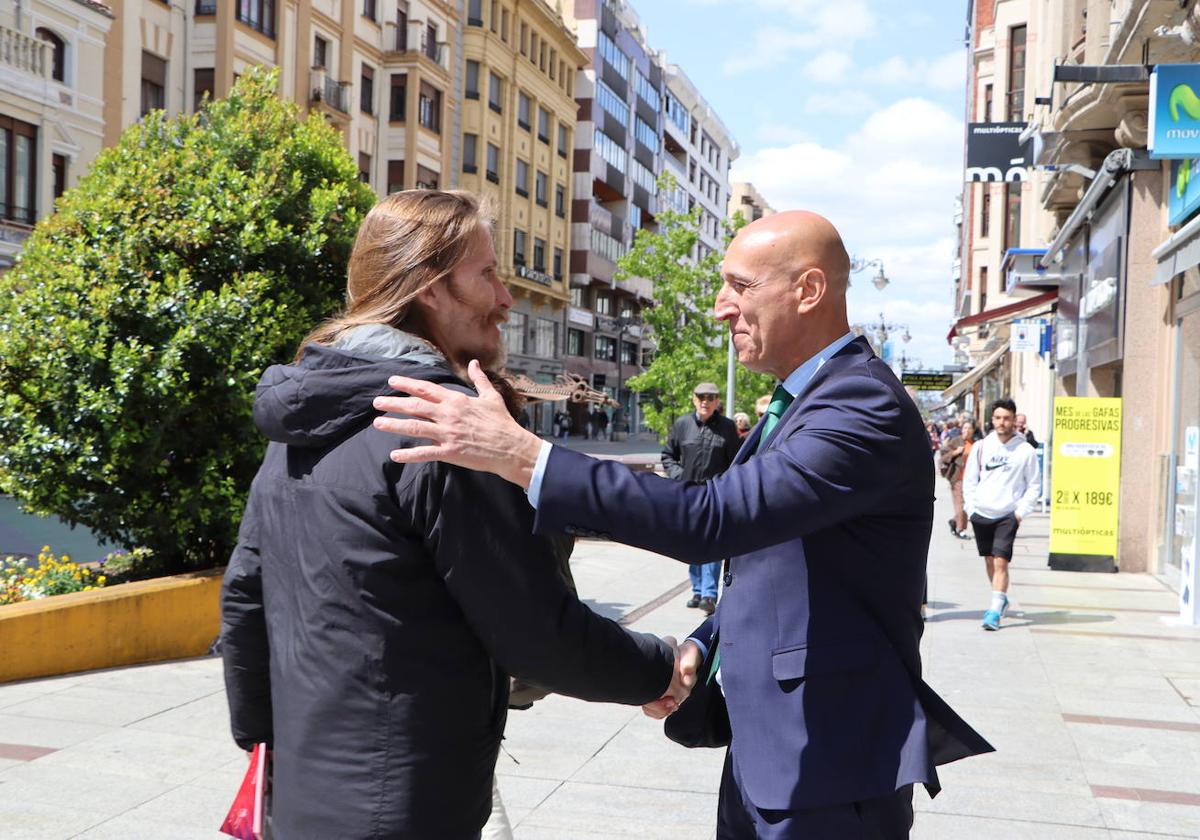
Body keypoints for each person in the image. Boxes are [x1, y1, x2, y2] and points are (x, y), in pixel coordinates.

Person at [371, 209, 992, 838]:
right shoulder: (806, 400)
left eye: (740, 287)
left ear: (808, 290)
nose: (722, 308)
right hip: (777, 752)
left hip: (832, 763)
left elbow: (713, 518)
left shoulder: (861, 405)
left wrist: (526, 457)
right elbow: (780, 563)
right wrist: (706, 641)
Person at [219, 190, 686, 839]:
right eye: (487, 275)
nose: (506, 297)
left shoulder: (301, 425)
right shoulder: (440, 432)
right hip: (407, 805)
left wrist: (264, 746)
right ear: (430, 290)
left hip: (302, 797)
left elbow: (244, 598)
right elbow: (534, 630)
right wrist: (661, 668)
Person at [662, 382, 742, 615]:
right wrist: (679, 477)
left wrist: (725, 488)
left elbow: (736, 462)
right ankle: (697, 590)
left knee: (711, 546)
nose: (705, 401)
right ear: (694, 399)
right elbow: (668, 455)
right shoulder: (682, 424)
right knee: (691, 544)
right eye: (701, 397)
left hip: (714, 497)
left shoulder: (727, 428)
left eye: (711, 397)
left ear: (717, 401)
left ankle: (709, 594)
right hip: (687, 496)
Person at [962, 398, 1040, 631]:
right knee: (989, 560)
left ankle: (994, 611)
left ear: (1014, 420)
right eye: (998, 418)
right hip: (982, 512)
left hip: (1008, 514)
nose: (1002, 422)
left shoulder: (1025, 450)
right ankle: (1000, 597)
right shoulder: (981, 447)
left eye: (1007, 418)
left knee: (1000, 561)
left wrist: (1019, 513)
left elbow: (1034, 485)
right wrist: (971, 508)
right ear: (992, 420)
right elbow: (970, 480)